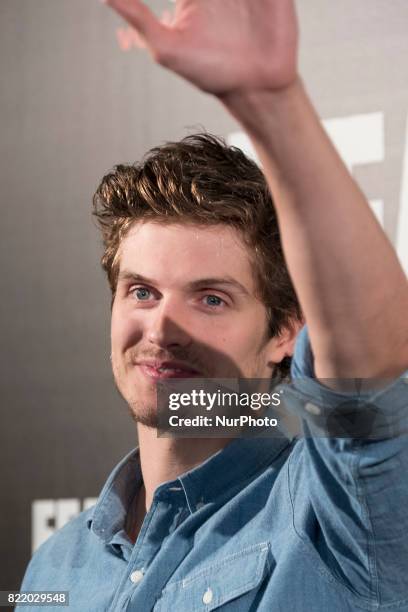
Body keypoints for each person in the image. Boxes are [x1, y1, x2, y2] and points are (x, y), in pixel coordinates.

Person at [18, 1, 408, 611]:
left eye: (210, 297)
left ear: (286, 330)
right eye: (141, 291)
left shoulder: (332, 518)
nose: (162, 326)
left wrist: (275, 104)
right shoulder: (53, 565)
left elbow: (370, 384)